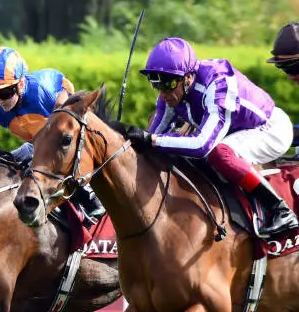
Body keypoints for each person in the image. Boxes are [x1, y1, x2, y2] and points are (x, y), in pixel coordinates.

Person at [121, 37, 298, 237]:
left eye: (168, 84)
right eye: (157, 85)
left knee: (219, 154)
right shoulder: (172, 91)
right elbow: (153, 137)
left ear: (187, 77)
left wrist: (152, 140)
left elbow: (201, 144)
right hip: (237, 133)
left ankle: (280, 209)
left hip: (270, 130)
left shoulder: (218, 85)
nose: (162, 93)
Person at [0, 46, 105, 220]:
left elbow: (70, 127)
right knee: (6, 166)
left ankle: (90, 198)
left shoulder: (43, 92)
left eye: (4, 92)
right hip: (36, 143)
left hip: (60, 141)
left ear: (20, 84)